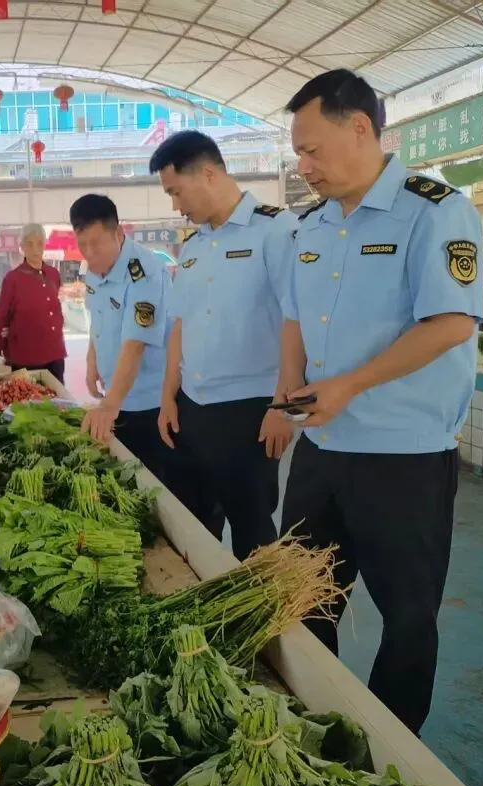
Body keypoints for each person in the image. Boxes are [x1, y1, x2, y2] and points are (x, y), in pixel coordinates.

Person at [276, 69, 483, 735]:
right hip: (323, 452)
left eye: (311, 149)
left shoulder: (437, 209)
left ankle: (392, 751)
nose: (302, 165)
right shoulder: (310, 226)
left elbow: (451, 322)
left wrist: (349, 385)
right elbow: (293, 317)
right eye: (297, 153)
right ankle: (316, 723)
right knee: (301, 599)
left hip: (404, 458)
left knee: (407, 617)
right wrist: (290, 384)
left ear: (360, 128)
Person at [149, 130, 296, 559]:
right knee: (192, 524)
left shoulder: (276, 229)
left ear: (209, 173)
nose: (176, 205)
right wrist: (168, 396)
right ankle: (207, 618)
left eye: (177, 192)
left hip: (250, 411)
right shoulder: (193, 247)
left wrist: (285, 407)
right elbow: (181, 324)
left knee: (251, 528)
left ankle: (262, 622)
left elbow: (297, 318)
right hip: (191, 407)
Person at [69, 195, 171, 481]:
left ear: (118, 233)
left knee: (150, 484)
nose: (89, 252)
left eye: (96, 243)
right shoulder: (94, 269)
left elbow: (135, 344)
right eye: (82, 244)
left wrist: (108, 406)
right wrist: (92, 362)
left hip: (149, 405)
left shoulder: (144, 273)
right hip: (118, 399)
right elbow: (97, 321)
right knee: (124, 478)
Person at [0, 224, 67, 383]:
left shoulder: (53, 274)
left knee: (58, 399)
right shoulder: (13, 279)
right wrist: (4, 348)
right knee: (28, 402)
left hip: (55, 351)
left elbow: (55, 305)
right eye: (30, 244)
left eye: (40, 243)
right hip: (25, 354)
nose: (35, 249)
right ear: (22, 247)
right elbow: (2, 316)